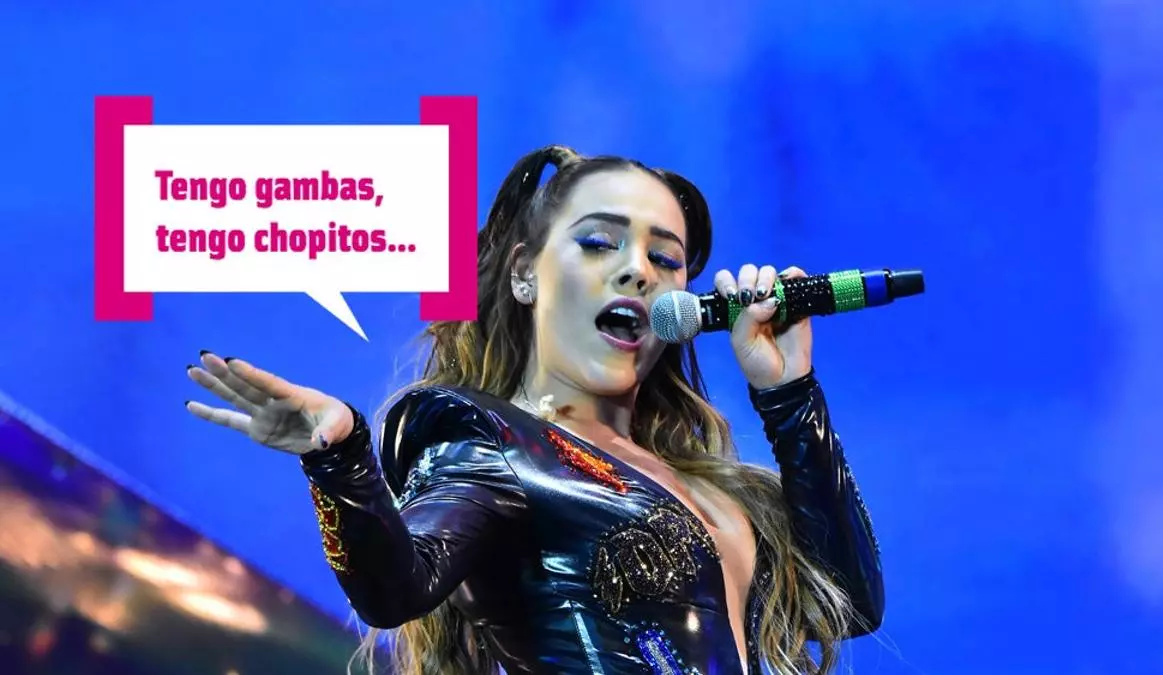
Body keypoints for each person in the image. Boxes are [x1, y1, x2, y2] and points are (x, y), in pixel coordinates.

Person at [184, 145, 885, 675]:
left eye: (665, 259)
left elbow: (849, 602)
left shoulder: (718, 490)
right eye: (600, 242)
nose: (639, 269)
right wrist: (339, 458)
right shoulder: (489, 439)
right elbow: (395, 587)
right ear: (525, 273)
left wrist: (788, 392)